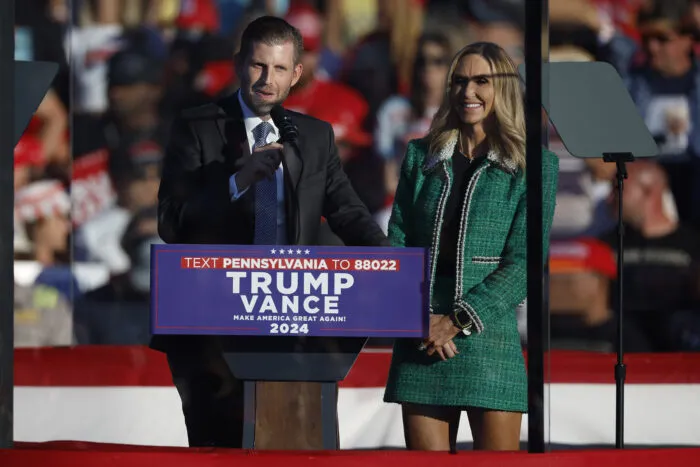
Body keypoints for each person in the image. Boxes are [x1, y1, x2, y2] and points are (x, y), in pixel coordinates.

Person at [152, 16, 389, 448]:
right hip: (212, 329)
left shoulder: (314, 137)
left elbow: (349, 214)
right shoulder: (196, 125)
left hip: (295, 327)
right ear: (239, 63)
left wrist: (395, 270)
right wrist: (237, 182)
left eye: (280, 69)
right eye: (259, 66)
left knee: (299, 446)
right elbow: (171, 223)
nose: (267, 79)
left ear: (297, 73)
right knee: (219, 448)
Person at [383, 42, 559, 451]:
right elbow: (398, 247)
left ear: (505, 89)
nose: (468, 92)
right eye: (460, 81)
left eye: (482, 81)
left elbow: (525, 263)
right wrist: (417, 319)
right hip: (421, 337)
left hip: (489, 336)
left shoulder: (535, 166)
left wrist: (457, 319)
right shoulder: (419, 156)